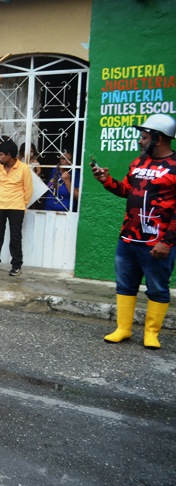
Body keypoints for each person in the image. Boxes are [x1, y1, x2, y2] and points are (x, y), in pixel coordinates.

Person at [92, 113, 176, 350]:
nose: (140, 141)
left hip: (157, 244)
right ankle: (123, 329)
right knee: (125, 285)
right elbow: (126, 190)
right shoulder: (138, 163)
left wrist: (167, 242)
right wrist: (106, 180)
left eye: (144, 137)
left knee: (158, 287)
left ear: (158, 138)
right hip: (128, 239)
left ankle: (151, 334)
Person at [0, 139, 33, 276]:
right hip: (0, 206)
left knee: (15, 237)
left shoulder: (24, 168)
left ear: (9, 155)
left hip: (17, 207)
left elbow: (28, 190)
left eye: (1, 154)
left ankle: (16, 265)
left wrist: (22, 205)